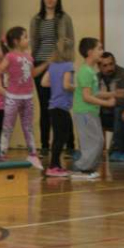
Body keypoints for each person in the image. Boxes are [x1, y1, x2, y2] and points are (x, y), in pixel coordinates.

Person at [30, 0, 75, 154]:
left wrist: (64, 59)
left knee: (60, 106)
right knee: (44, 106)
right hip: (40, 64)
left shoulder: (64, 18)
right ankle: (44, 145)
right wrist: (32, 64)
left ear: (58, 0)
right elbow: (33, 43)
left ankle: (69, 144)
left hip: (59, 64)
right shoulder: (36, 19)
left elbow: (70, 41)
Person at [0, 26, 46, 169]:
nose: (28, 40)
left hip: (28, 97)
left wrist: (46, 64)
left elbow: (32, 74)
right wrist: (3, 74)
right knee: (8, 126)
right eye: (25, 37)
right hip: (13, 97)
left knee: (28, 126)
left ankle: (33, 155)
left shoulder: (29, 57)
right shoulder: (10, 56)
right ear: (16, 41)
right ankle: (2, 154)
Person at [71, 37, 116, 180]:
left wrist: (112, 94)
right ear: (90, 52)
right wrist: (107, 103)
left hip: (91, 112)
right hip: (84, 112)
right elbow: (86, 97)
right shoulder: (85, 71)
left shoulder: (91, 71)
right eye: (99, 48)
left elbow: (94, 93)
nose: (102, 51)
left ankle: (87, 168)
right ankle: (80, 169)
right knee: (93, 142)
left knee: (98, 141)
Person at [40, 37, 74, 177]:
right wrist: (77, 87)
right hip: (61, 106)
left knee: (59, 137)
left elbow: (43, 82)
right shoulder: (69, 66)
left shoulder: (53, 66)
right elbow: (66, 85)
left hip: (53, 106)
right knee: (61, 137)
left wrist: (56, 84)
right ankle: (53, 166)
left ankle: (56, 165)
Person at [97, 52, 124, 159]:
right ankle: (91, 149)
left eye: (111, 64)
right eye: (105, 65)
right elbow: (92, 96)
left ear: (115, 62)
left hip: (119, 110)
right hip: (103, 111)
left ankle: (117, 148)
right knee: (88, 111)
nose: (109, 68)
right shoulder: (96, 77)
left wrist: (104, 97)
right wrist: (108, 98)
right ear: (99, 67)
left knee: (119, 109)